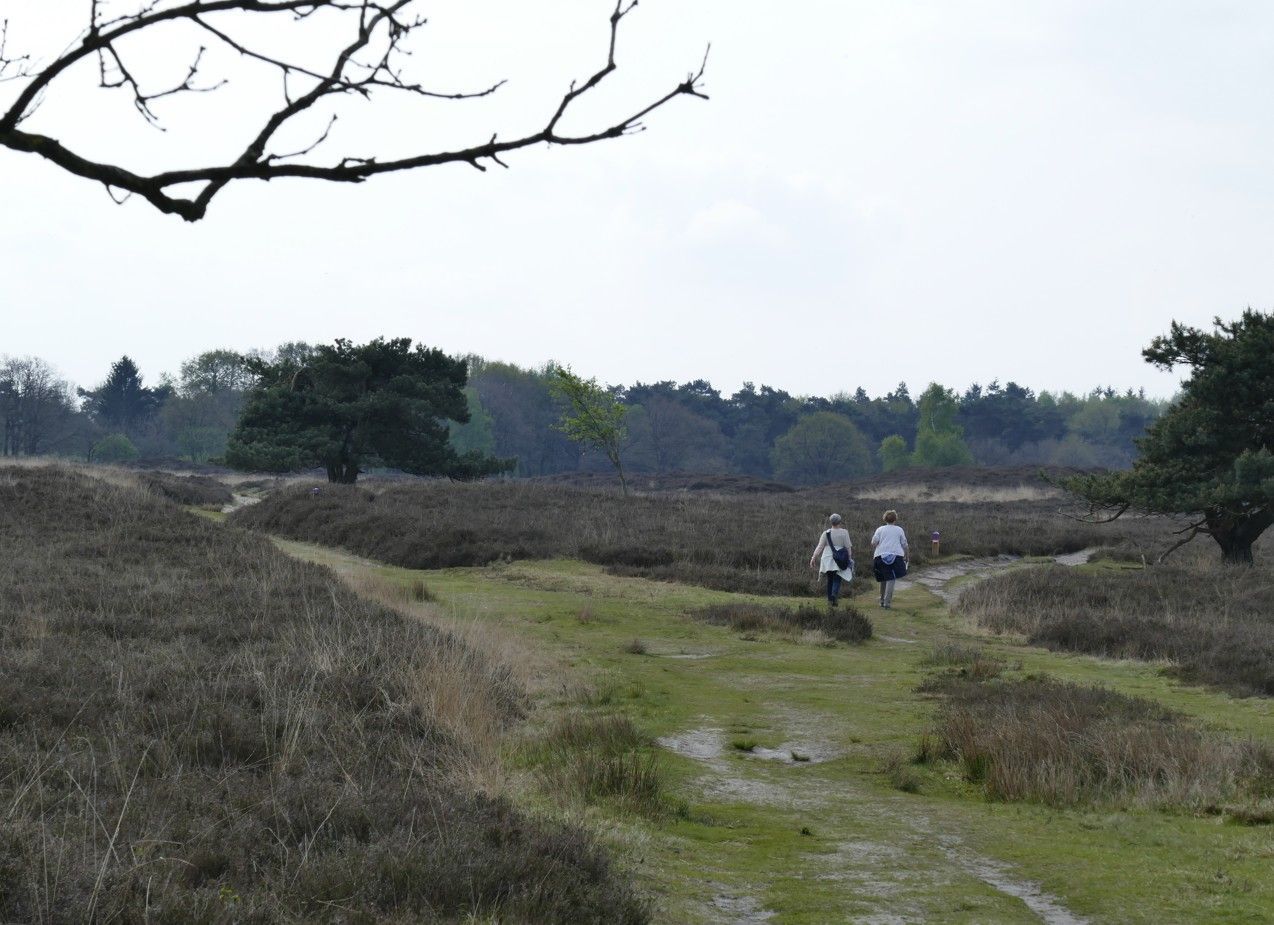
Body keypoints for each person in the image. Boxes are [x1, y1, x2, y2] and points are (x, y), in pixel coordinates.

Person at [809, 513, 854, 607]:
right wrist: (849, 559)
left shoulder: (826, 533)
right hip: (840, 558)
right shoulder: (844, 532)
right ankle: (834, 596)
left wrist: (813, 557)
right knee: (837, 578)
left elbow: (820, 547)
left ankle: (830, 599)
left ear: (831, 522)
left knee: (830, 579)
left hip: (827, 558)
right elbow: (848, 547)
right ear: (840, 521)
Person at [871, 510, 909, 609]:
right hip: (896, 556)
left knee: (883, 579)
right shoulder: (899, 530)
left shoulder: (880, 529)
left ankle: (882, 600)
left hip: (880, 556)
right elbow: (905, 544)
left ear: (885, 519)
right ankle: (887, 603)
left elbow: (873, 543)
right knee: (891, 579)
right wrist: (907, 556)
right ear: (895, 519)